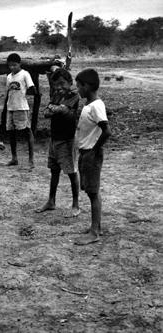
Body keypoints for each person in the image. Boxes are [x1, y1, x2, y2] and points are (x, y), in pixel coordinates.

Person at [35, 68, 81, 218]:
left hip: (67, 140)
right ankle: (51, 201)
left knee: (71, 172)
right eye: (56, 85)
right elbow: (47, 111)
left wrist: (55, 109)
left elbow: (61, 110)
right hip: (54, 138)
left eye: (62, 84)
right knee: (54, 170)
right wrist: (54, 109)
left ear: (70, 83)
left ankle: (76, 204)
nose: (59, 87)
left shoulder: (74, 96)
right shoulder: (56, 95)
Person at [73, 69, 111, 245]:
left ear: (87, 86)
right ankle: (96, 227)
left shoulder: (96, 106)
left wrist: (94, 151)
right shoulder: (90, 104)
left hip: (91, 154)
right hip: (86, 152)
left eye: (79, 86)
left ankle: (95, 232)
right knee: (90, 191)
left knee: (93, 192)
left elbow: (106, 131)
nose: (77, 89)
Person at [4, 53, 37, 169]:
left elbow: (32, 88)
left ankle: (31, 160)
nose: (12, 67)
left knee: (27, 131)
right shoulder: (9, 77)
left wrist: (26, 94)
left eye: (14, 65)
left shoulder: (24, 74)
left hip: (21, 107)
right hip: (11, 108)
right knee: (11, 132)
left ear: (19, 64)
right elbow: (8, 92)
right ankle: (14, 158)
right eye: (10, 66)